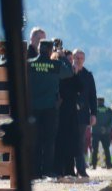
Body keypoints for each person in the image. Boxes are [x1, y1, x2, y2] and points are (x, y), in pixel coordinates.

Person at [25, 39, 63, 177]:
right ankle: (47, 170)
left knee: (35, 140)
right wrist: (61, 55)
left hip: (33, 108)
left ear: (39, 48)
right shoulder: (56, 65)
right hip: (49, 108)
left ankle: (34, 172)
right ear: (50, 50)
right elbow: (69, 72)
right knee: (49, 141)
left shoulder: (29, 64)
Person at [56, 47, 95, 177]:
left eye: (81, 58)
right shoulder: (67, 72)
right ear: (72, 58)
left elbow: (92, 96)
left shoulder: (88, 75)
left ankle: (81, 169)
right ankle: (69, 169)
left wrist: (93, 113)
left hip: (82, 114)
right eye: (76, 58)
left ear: (84, 60)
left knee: (80, 142)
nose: (78, 60)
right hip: (68, 113)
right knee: (68, 141)